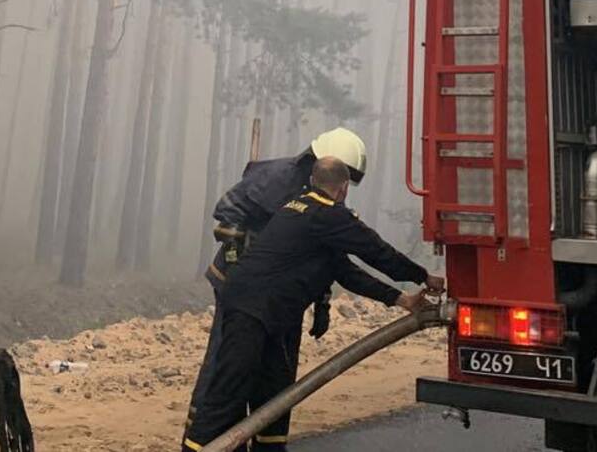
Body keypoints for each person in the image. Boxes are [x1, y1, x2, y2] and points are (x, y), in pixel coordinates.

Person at [182, 157, 439, 450]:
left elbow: (345, 272)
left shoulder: (298, 208)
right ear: (343, 188)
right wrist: (423, 276)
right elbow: (375, 250)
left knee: (273, 390)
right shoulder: (328, 216)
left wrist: (403, 300)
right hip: (252, 309)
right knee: (229, 389)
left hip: (266, 311)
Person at [191, 128, 370, 419]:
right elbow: (228, 213)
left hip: (282, 296)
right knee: (228, 364)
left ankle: (265, 432)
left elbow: (323, 255)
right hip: (240, 291)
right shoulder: (276, 177)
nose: (343, 188)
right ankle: (207, 431)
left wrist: (322, 303)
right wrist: (240, 267)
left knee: (276, 369)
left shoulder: (323, 196)